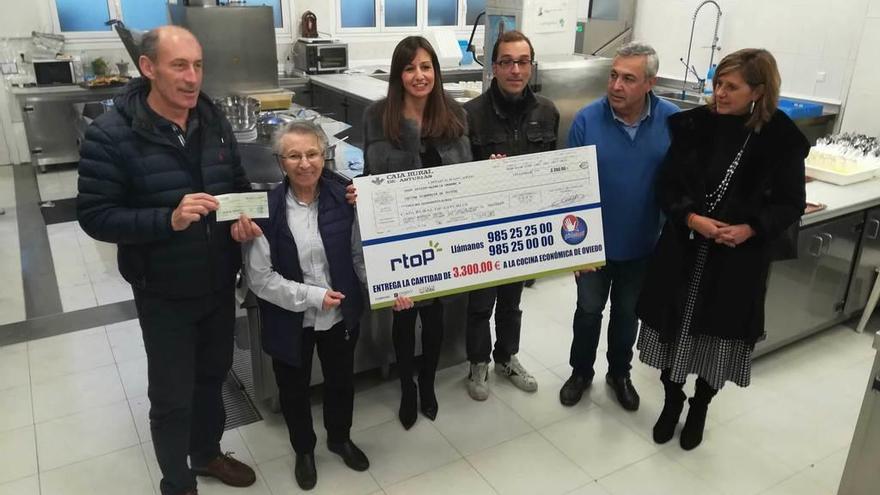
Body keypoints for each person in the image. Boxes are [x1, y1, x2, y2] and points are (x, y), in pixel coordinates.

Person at [77, 26, 260, 495]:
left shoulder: (212, 118)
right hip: (162, 291)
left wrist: (242, 218)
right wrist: (167, 220)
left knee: (213, 377)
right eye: (179, 65)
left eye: (198, 65)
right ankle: (177, 483)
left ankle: (207, 454)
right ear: (148, 67)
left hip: (219, 280)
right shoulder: (111, 134)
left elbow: (236, 183)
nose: (192, 77)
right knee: (172, 396)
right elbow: (96, 216)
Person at [636, 48, 807, 450]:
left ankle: (700, 406)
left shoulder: (781, 140)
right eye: (717, 85)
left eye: (731, 87)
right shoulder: (694, 127)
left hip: (737, 263)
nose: (720, 94)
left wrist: (751, 228)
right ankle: (673, 399)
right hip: (684, 252)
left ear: (758, 91)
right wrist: (691, 218)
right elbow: (667, 186)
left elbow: (790, 203)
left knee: (717, 342)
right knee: (671, 334)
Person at [243, 120, 369, 490]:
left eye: (312, 153)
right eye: (294, 155)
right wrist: (313, 296)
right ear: (280, 162)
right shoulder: (266, 210)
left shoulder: (346, 197)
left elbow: (362, 253)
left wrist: (390, 289)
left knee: (341, 382)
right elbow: (260, 278)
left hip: (340, 314)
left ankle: (340, 438)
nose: (304, 163)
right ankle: (305, 450)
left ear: (324, 156)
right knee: (294, 390)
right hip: (289, 319)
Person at [359, 35, 472, 430]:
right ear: (398, 74)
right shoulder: (378, 116)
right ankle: (407, 386)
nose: (419, 75)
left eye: (426, 67)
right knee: (404, 315)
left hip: (442, 234)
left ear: (436, 72)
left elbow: (466, 176)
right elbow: (373, 174)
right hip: (399, 235)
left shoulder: (454, 114)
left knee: (437, 314)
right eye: (410, 68)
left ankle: (428, 383)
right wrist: (361, 188)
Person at [560, 42, 680, 411]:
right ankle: (581, 371)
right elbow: (568, 189)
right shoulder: (587, 119)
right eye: (613, 75)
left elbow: (681, 183)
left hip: (644, 244)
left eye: (628, 78)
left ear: (650, 83)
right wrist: (575, 248)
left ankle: (619, 373)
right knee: (588, 312)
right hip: (593, 245)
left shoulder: (672, 121)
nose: (616, 85)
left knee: (627, 315)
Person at [462, 30, 559, 401]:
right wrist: (485, 170)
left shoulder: (547, 111)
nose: (515, 69)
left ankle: (507, 357)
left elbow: (555, 170)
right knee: (480, 303)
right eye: (506, 62)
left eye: (522, 62)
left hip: (523, 230)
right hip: (484, 228)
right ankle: (477, 363)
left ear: (531, 66)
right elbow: (459, 177)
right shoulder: (471, 115)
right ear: (494, 67)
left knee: (512, 301)